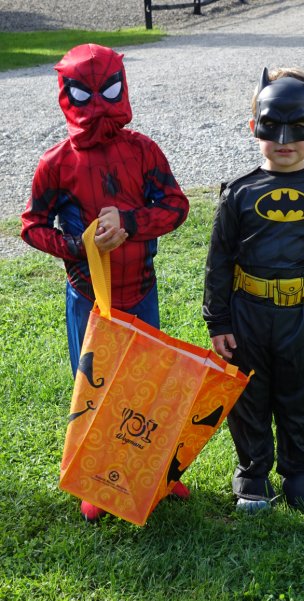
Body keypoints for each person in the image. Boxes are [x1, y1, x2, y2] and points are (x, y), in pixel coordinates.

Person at [21, 43, 191, 521]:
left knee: (150, 386)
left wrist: (133, 223)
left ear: (121, 86)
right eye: (84, 93)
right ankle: (96, 478)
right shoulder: (56, 163)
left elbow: (177, 205)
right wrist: (79, 246)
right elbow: (32, 225)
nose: (97, 105)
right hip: (88, 297)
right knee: (94, 386)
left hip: (141, 288)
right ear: (67, 94)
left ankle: (156, 472)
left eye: (107, 90)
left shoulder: (143, 151)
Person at [203, 66, 304, 512]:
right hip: (247, 315)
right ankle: (253, 476)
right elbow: (219, 259)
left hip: (301, 317)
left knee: (299, 396)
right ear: (252, 126)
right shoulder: (238, 194)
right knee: (249, 396)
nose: (283, 140)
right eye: (270, 126)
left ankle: (300, 475)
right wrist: (217, 319)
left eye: (298, 127)